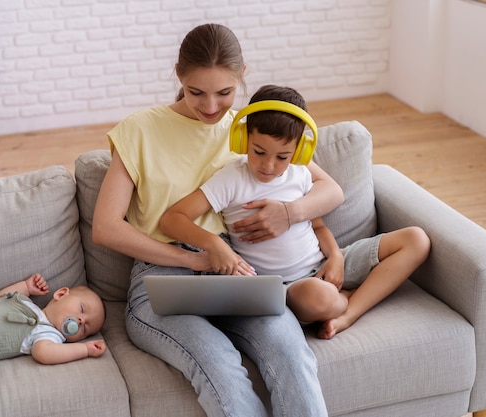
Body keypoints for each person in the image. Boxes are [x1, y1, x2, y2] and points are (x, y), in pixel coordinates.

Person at [93, 23, 344, 417]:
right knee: (220, 364)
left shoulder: (251, 133)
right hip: (161, 280)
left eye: (225, 93)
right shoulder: (139, 130)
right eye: (197, 93)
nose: (211, 107)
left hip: (237, 276)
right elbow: (105, 227)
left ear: (242, 74)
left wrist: (290, 212)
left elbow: (329, 188)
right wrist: (196, 257)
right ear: (179, 75)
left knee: (291, 353)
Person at [160, 84, 432, 340]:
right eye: (259, 151)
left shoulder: (301, 174)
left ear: (299, 150)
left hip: (324, 264)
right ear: (244, 138)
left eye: (282, 157)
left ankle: (348, 312)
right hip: (288, 286)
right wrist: (215, 245)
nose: (268, 165)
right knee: (319, 297)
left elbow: (318, 226)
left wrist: (336, 255)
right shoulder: (231, 179)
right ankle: (344, 300)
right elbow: (173, 219)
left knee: (416, 240)